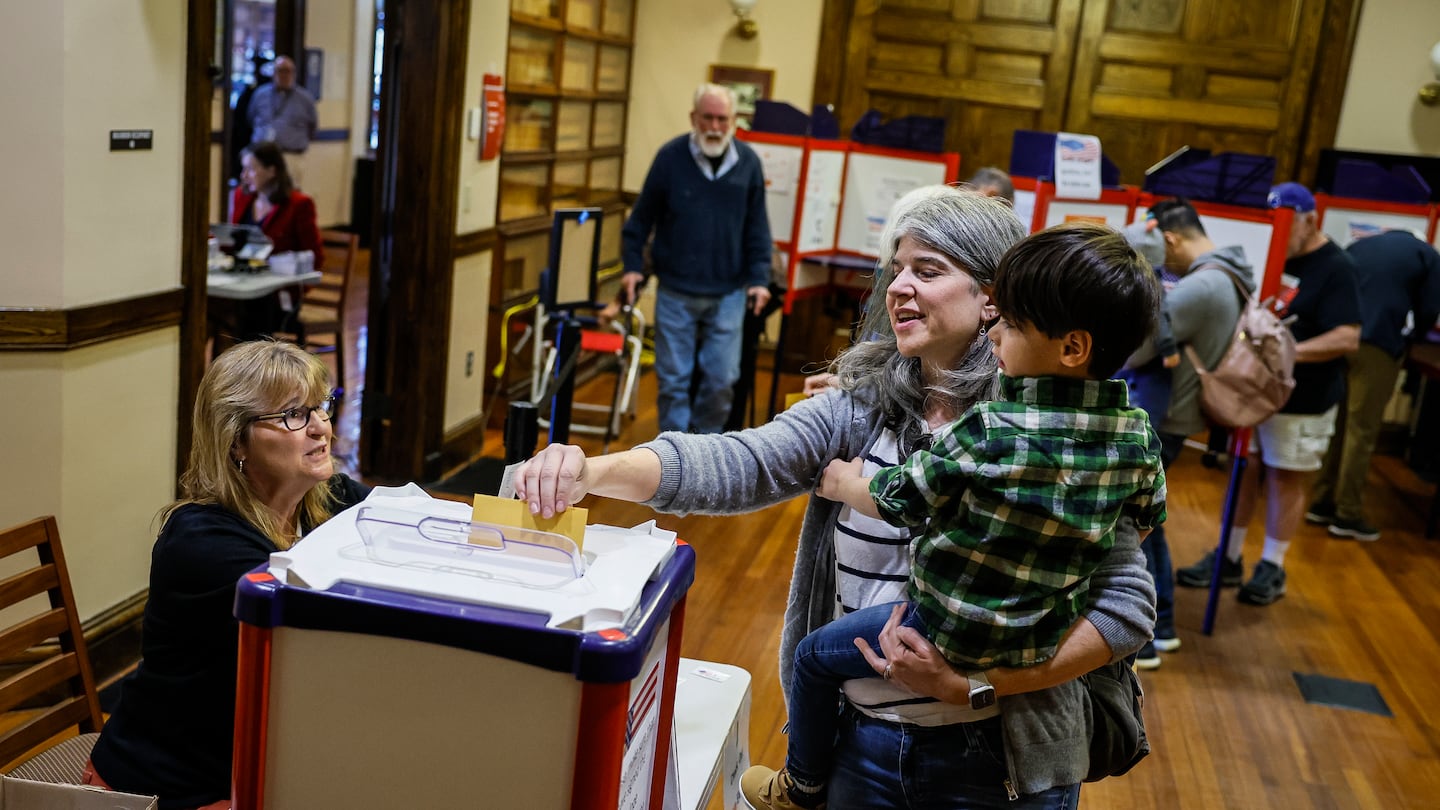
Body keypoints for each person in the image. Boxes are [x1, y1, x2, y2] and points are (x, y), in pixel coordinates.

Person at [516, 190, 1157, 809]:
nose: (897, 286)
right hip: (863, 748)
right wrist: (590, 469)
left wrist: (975, 687)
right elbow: (741, 460)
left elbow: (1125, 608)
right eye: (896, 268)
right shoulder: (863, 404)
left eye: (927, 270)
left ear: (994, 298)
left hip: (1007, 758)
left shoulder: (1058, 438)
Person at [741, 223, 1166, 810]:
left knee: (813, 657)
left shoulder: (988, 430)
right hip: (1040, 633)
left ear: (1071, 347)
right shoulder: (1136, 436)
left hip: (942, 631)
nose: (996, 332)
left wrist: (844, 482)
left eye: (1012, 323)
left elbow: (902, 497)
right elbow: (1144, 520)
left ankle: (801, 785)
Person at [85, 340, 368, 809]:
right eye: (293, 415)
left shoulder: (325, 497)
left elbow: (409, 517)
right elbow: (327, 616)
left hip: (254, 768)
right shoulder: (201, 541)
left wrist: (526, 473)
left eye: (321, 407)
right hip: (169, 788)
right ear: (235, 440)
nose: (321, 428)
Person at [1176, 183, 1361, 606]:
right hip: (1255, 394)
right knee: (1245, 471)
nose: (1280, 233)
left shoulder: (1337, 267)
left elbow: (1348, 337)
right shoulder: (1273, 256)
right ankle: (1229, 557)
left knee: (1285, 477)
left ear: (1309, 220)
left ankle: (1273, 566)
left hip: (1303, 398)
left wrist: (1284, 356)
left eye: (1287, 224)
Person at [1122, 198, 1257, 665]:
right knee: (1147, 521)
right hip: (1180, 415)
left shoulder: (1202, 286)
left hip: (1168, 417)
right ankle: (1161, 628)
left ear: (1170, 239)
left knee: (1144, 522)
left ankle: (1158, 630)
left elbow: (1137, 349)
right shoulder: (1230, 275)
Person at [621, 83, 773, 434]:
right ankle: (672, 460)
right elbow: (640, 220)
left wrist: (760, 279)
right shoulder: (670, 158)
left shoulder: (747, 162)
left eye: (723, 119)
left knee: (721, 381)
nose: (715, 127)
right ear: (694, 118)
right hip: (676, 289)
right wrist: (631, 267)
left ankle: (704, 456)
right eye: (708, 118)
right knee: (674, 383)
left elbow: (757, 228)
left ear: (734, 120)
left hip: (729, 293)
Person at [1306, 229, 1440, 540]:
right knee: (1362, 430)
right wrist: (1416, 337)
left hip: (1337, 338)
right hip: (1377, 343)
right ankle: (1348, 514)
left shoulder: (1360, 244)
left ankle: (1321, 502)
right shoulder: (1427, 255)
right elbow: (1430, 307)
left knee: (1339, 425)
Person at [229, 141, 324, 337]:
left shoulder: (299, 205)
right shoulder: (242, 197)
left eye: (250, 169)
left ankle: (250, 364)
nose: (243, 175)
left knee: (251, 312)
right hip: (244, 280)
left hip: (279, 293)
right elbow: (233, 240)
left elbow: (314, 257)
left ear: (272, 171)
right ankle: (230, 363)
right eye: (243, 169)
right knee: (219, 308)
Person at [245, 55, 317, 187]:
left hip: (291, 156)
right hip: (263, 157)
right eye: (280, 70)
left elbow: (312, 127)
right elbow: (250, 118)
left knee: (290, 195)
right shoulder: (260, 94)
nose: (284, 75)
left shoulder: (305, 99)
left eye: (288, 71)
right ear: (273, 73)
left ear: (294, 73)